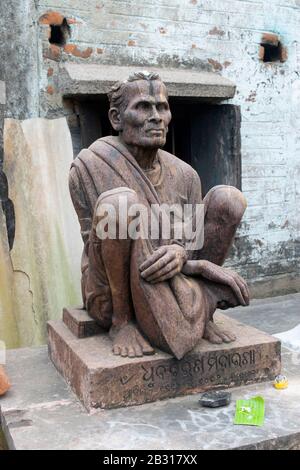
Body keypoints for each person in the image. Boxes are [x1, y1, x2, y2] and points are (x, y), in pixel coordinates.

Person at [69, 71, 249, 360]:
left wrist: (181, 252)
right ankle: (123, 324)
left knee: (229, 199)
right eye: (143, 107)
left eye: (162, 107)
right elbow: (98, 248)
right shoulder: (90, 166)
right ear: (116, 118)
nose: (156, 117)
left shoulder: (185, 175)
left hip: (175, 276)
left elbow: (191, 241)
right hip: (115, 288)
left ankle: (204, 315)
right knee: (120, 203)